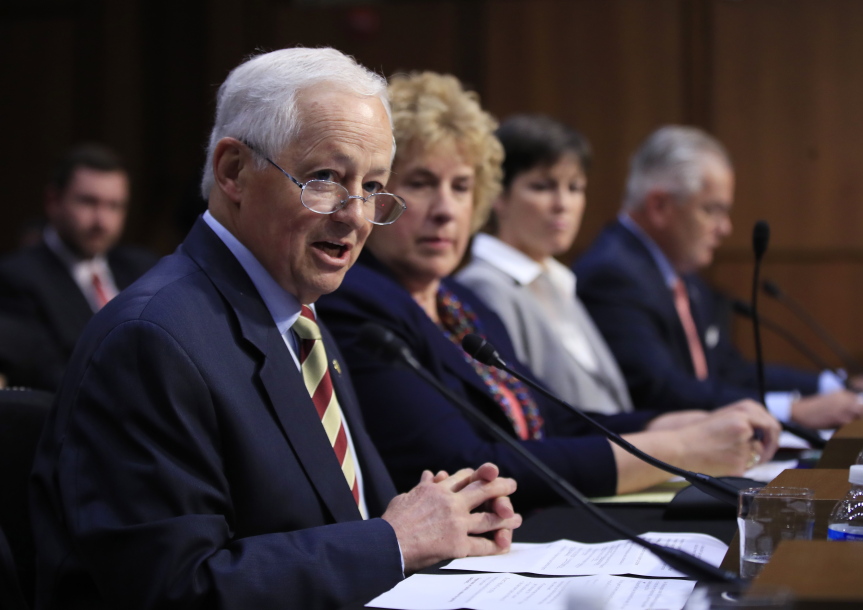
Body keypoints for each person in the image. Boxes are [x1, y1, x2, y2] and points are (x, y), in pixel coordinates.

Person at [29, 48, 521, 610]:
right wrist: (395, 540)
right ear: (234, 171)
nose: (357, 215)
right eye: (326, 179)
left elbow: (344, 520)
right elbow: (175, 591)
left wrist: (447, 521)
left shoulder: (300, 317)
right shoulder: (151, 340)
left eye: (372, 186)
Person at [317, 72, 780, 513]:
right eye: (420, 183)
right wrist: (679, 449)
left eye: (461, 187)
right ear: (374, 194)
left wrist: (674, 423)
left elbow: (551, 421)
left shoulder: (460, 303)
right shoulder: (358, 300)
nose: (445, 210)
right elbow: (464, 462)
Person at [573, 125, 863, 430]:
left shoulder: (675, 271)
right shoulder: (613, 274)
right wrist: (791, 410)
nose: (725, 228)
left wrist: (830, 384)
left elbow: (727, 370)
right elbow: (661, 390)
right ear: (660, 206)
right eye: (711, 210)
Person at [457, 114, 632, 414]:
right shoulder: (485, 286)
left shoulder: (557, 278)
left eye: (574, 187)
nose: (563, 204)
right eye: (542, 186)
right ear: (497, 195)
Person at [0, 144, 157, 391]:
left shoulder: (142, 268)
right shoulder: (18, 279)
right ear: (53, 200)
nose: (102, 221)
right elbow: (48, 374)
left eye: (114, 206)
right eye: (88, 202)